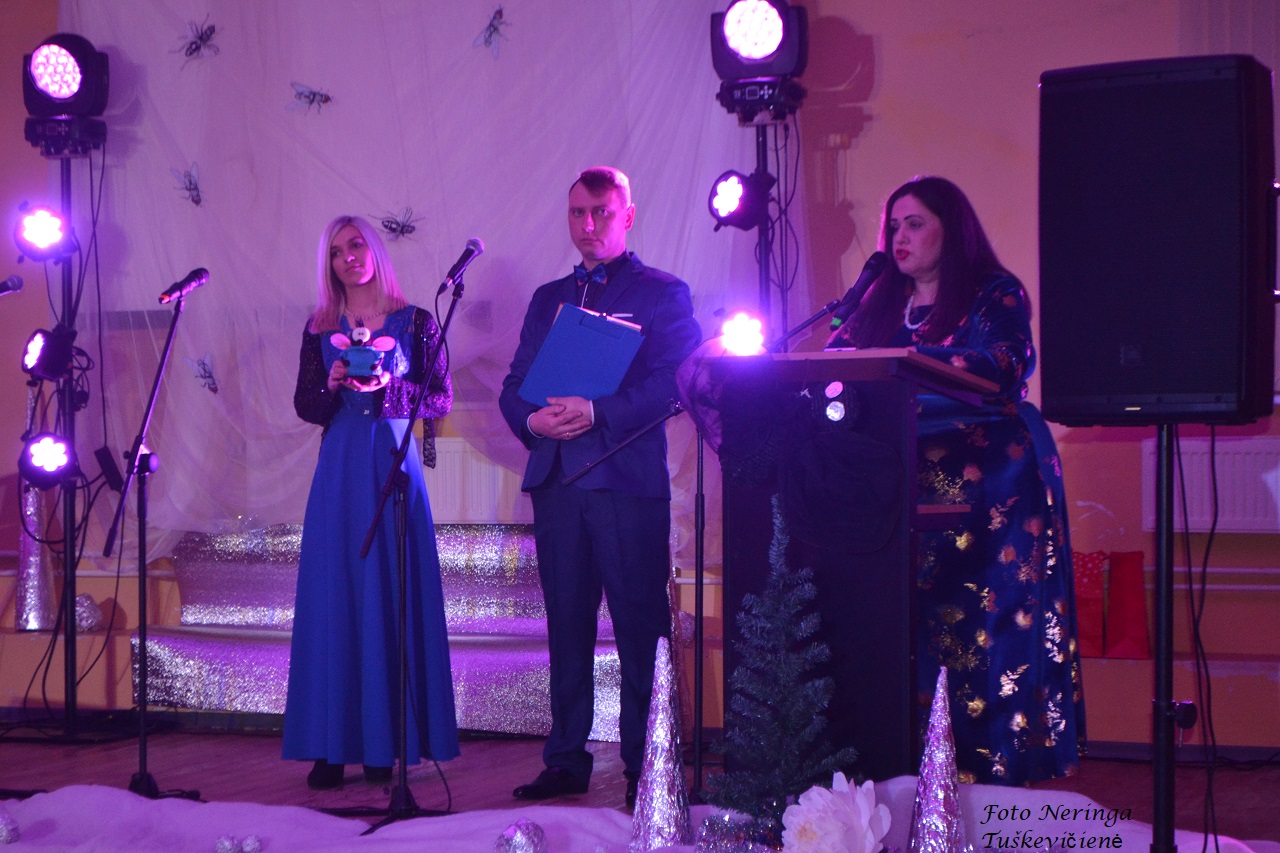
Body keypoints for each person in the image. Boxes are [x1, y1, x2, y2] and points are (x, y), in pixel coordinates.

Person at [827, 176, 1084, 785]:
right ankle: (907, 776)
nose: (900, 236)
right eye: (894, 226)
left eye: (915, 223)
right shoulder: (879, 303)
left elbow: (1003, 365)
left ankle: (992, 776)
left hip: (992, 492)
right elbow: (835, 365)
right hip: (902, 493)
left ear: (953, 229)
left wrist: (903, 364)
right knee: (906, 632)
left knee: (984, 634)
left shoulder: (994, 292)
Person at [499, 167, 702, 808]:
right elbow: (514, 385)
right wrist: (530, 421)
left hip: (623, 480)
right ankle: (565, 758)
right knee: (566, 625)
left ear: (627, 216)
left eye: (601, 213)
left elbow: (678, 380)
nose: (588, 225)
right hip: (558, 479)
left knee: (641, 627)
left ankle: (649, 764)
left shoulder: (662, 293)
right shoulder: (548, 297)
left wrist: (599, 410)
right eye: (577, 213)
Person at [283, 214, 460, 789]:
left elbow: (440, 398)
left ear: (375, 250)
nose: (348, 258)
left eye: (356, 245)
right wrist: (331, 383)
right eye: (336, 252)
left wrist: (390, 388)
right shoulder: (318, 327)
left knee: (389, 588)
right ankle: (331, 745)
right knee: (335, 594)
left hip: (391, 460)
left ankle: (386, 743)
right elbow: (307, 406)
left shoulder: (417, 321)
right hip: (339, 468)